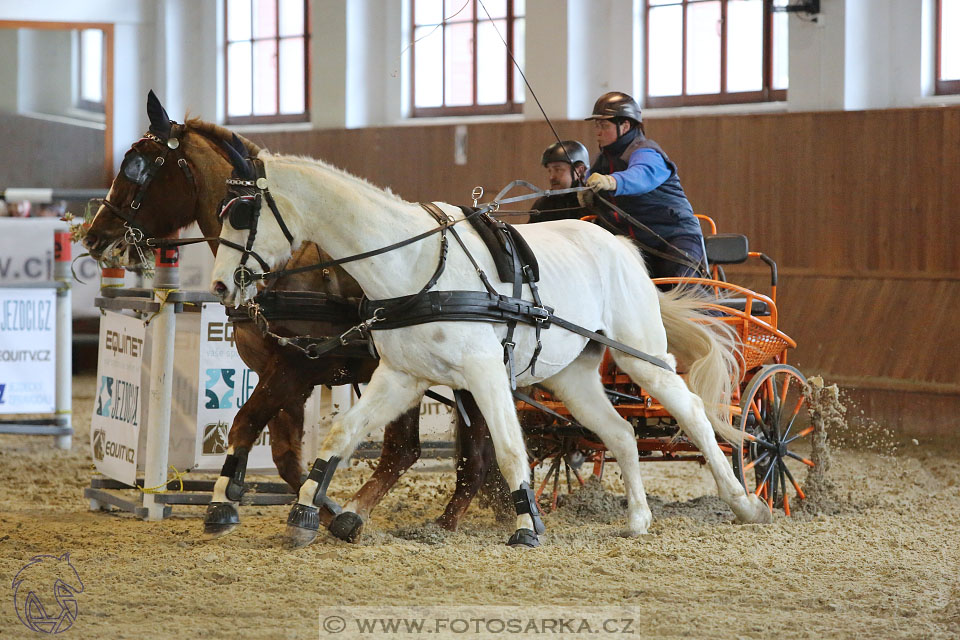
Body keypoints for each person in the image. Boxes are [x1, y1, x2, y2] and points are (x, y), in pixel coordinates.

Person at [582, 91, 707, 281]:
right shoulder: (602, 162)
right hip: (633, 247)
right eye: (597, 125)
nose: (598, 131)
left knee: (683, 285)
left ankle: (707, 312)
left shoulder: (647, 152)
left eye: (604, 125)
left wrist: (612, 181)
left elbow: (642, 175)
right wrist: (585, 193)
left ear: (624, 126)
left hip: (673, 238)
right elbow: (589, 182)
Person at [529, 140, 592, 223]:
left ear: (580, 171)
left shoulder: (592, 202)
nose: (552, 177)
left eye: (557, 170)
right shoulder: (543, 205)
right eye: (549, 171)